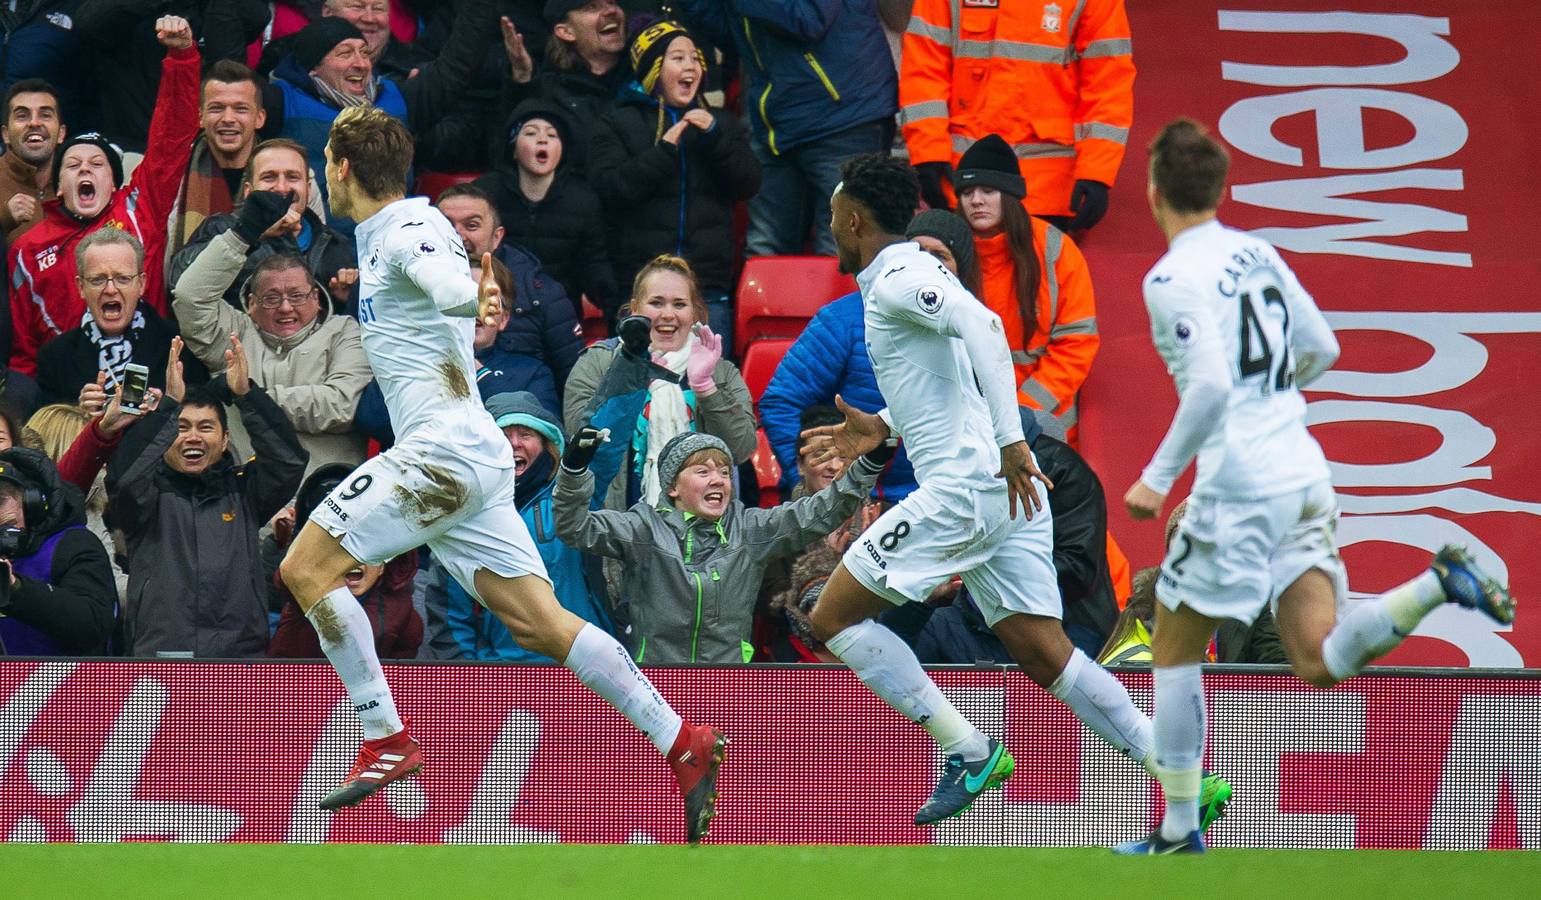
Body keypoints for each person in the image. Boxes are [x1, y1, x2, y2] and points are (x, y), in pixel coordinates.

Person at [277, 107, 727, 843]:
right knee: (538, 622)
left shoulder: (404, 231)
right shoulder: (403, 229)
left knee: (305, 569)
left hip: (440, 453)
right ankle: (682, 742)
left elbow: (445, 282)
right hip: (470, 453)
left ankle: (385, 736)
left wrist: (472, 296)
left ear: (341, 168)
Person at [1115, 119, 1515, 855]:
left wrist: (1154, 478)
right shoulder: (1258, 251)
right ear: (1221, 186)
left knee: (1171, 651)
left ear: (1152, 192)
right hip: (1303, 469)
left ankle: (1175, 828)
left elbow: (1204, 387)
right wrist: (1270, 401)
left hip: (1237, 482)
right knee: (1315, 659)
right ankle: (1433, 585)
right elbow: (1322, 347)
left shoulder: (1169, 277)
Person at [802, 153, 1227, 829]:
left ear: (852, 220)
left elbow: (987, 328)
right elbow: (948, 376)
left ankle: (966, 750)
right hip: (1003, 493)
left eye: (831, 217)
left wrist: (1010, 440)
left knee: (830, 618)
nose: (829, 229)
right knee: (1042, 651)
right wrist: (881, 429)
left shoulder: (898, 277)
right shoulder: (906, 277)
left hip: (970, 486)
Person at [556, 429, 887, 663]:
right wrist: (572, 472)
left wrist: (868, 464)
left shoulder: (749, 529)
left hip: (727, 681)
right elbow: (574, 527)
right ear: (672, 487)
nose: (718, 480)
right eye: (702, 471)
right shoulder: (642, 527)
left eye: (725, 472)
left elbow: (817, 513)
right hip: (655, 681)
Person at [7, 16, 200, 377]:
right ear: (59, 186)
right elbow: (25, 353)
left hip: (148, 378)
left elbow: (172, 136)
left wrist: (182, 58)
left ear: (114, 184)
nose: (84, 169)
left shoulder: (139, 209)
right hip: (72, 388)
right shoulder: (27, 250)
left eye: (96, 164)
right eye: (73, 164)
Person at [106, 332, 308, 658]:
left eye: (206, 427)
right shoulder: (146, 493)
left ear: (226, 439)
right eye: (182, 427)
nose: (193, 437)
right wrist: (168, 407)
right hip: (161, 657)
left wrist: (245, 395)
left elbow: (289, 461)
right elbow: (124, 480)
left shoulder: (245, 491)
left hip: (241, 658)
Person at [588, 20, 761, 350]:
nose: (691, 66)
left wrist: (715, 139)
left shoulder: (720, 123)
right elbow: (610, 189)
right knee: (634, 386)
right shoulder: (617, 120)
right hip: (639, 289)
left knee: (709, 386)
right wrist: (664, 152)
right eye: (678, 58)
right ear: (653, 69)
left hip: (707, 288)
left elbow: (748, 183)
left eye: (695, 58)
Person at [679, 0, 897, 257]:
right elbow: (733, 35)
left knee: (840, 251)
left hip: (844, 120)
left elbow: (807, 19)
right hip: (775, 124)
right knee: (765, 252)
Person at [172, 192, 372, 473]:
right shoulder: (235, 334)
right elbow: (190, 297)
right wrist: (241, 235)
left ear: (316, 297)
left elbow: (340, 406)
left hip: (325, 498)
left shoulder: (344, 332)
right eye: (271, 298)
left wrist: (249, 396)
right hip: (249, 503)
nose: (285, 308)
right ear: (251, 303)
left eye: (297, 296)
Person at [900, 0, 1134, 232]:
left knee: (1045, 269)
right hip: (965, 182)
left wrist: (1096, 172)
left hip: (1045, 190)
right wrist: (928, 153)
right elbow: (924, 68)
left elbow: (1107, 84)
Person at [563, 255, 756, 516]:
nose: (668, 315)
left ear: (695, 312)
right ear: (634, 308)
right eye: (656, 303)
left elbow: (741, 449)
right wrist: (629, 368)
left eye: (679, 304)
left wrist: (706, 388)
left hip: (703, 537)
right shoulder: (597, 363)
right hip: (619, 529)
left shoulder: (720, 371)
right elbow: (582, 440)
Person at [438, 391, 610, 662]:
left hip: (588, 667)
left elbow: (610, 431)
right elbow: (449, 615)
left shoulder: (571, 497)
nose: (514, 443)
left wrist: (630, 360)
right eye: (503, 435)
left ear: (546, 444)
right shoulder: (462, 516)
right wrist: (470, 681)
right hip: (504, 675)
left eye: (526, 434)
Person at [955, 134, 1097, 444]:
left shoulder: (1055, 249)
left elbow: (1077, 343)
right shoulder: (945, 251)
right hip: (965, 427)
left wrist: (1020, 412)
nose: (976, 200)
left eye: (988, 190)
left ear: (1010, 195)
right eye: (967, 192)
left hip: (1041, 426)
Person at [354, 255, 561, 447]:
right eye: (465, 298)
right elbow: (370, 419)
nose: (475, 308)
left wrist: (479, 374)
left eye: (485, 297)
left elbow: (544, 439)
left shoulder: (531, 373)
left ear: (504, 319)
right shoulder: (411, 359)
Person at [170, 137, 358, 313]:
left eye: (292, 177)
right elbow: (177, 282)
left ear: (308, 188)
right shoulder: (221, 228)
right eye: (269, 177)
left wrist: (345, 300)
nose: (282, 188)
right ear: (248, 191)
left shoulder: (333, 243)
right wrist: (247, 237)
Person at [471, 100, 617, 323]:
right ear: (513, 149)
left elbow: (594, 267)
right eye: (530, 133)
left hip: (560, 314)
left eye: (552, 135)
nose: (542, 139)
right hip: (499, 312)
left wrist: (617, 307)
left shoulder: (583, 200)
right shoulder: (485, 194)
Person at [35, 228, 207, 408]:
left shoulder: (179, 346)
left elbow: (202, 416)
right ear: (81, 287)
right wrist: (76, 416)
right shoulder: (55, 357)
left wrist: (166, 408)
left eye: (123, 279)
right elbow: (43, 431)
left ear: (141, 284)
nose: (110, 289)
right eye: (98, 280)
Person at [267, 462, 422, 660]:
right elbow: (289, 576)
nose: (351, 558)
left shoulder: (406, 620)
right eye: (338, 546)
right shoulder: (299, 595)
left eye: (364, 545)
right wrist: (280, 544)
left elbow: (400, 685)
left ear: (384, 562)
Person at [436, 183, 583, 389]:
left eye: (472, 226)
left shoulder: (542, 294)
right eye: (447, 226)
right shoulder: (405, 289)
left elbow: (575, 381)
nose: (458, 236)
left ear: (497, 237)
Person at [0, 446, 116, 655]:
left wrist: (15, 588)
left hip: (61, 685)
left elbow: (93, 626)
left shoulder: (74, 544)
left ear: (33, 502)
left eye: (0, 500)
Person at [501, 0, 630, 175]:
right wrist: (523, 79)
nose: (611, 11)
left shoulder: (648, 79)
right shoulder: (549, 91)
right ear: (566, 32)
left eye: (612, 2)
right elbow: (509, 153)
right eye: (591, 7)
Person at [167, 61, 271, 270]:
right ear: (200, 117)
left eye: (240, 109)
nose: (228, 119)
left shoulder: (291, 174)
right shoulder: (173, 175)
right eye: (217, 108)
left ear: (259, 118)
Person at [1, 78, 64, 241]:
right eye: (22, 116)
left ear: (61, 134)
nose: (34, 123)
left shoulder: (78, 182)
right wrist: (4, 219)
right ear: (5, 135)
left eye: (45, 115)